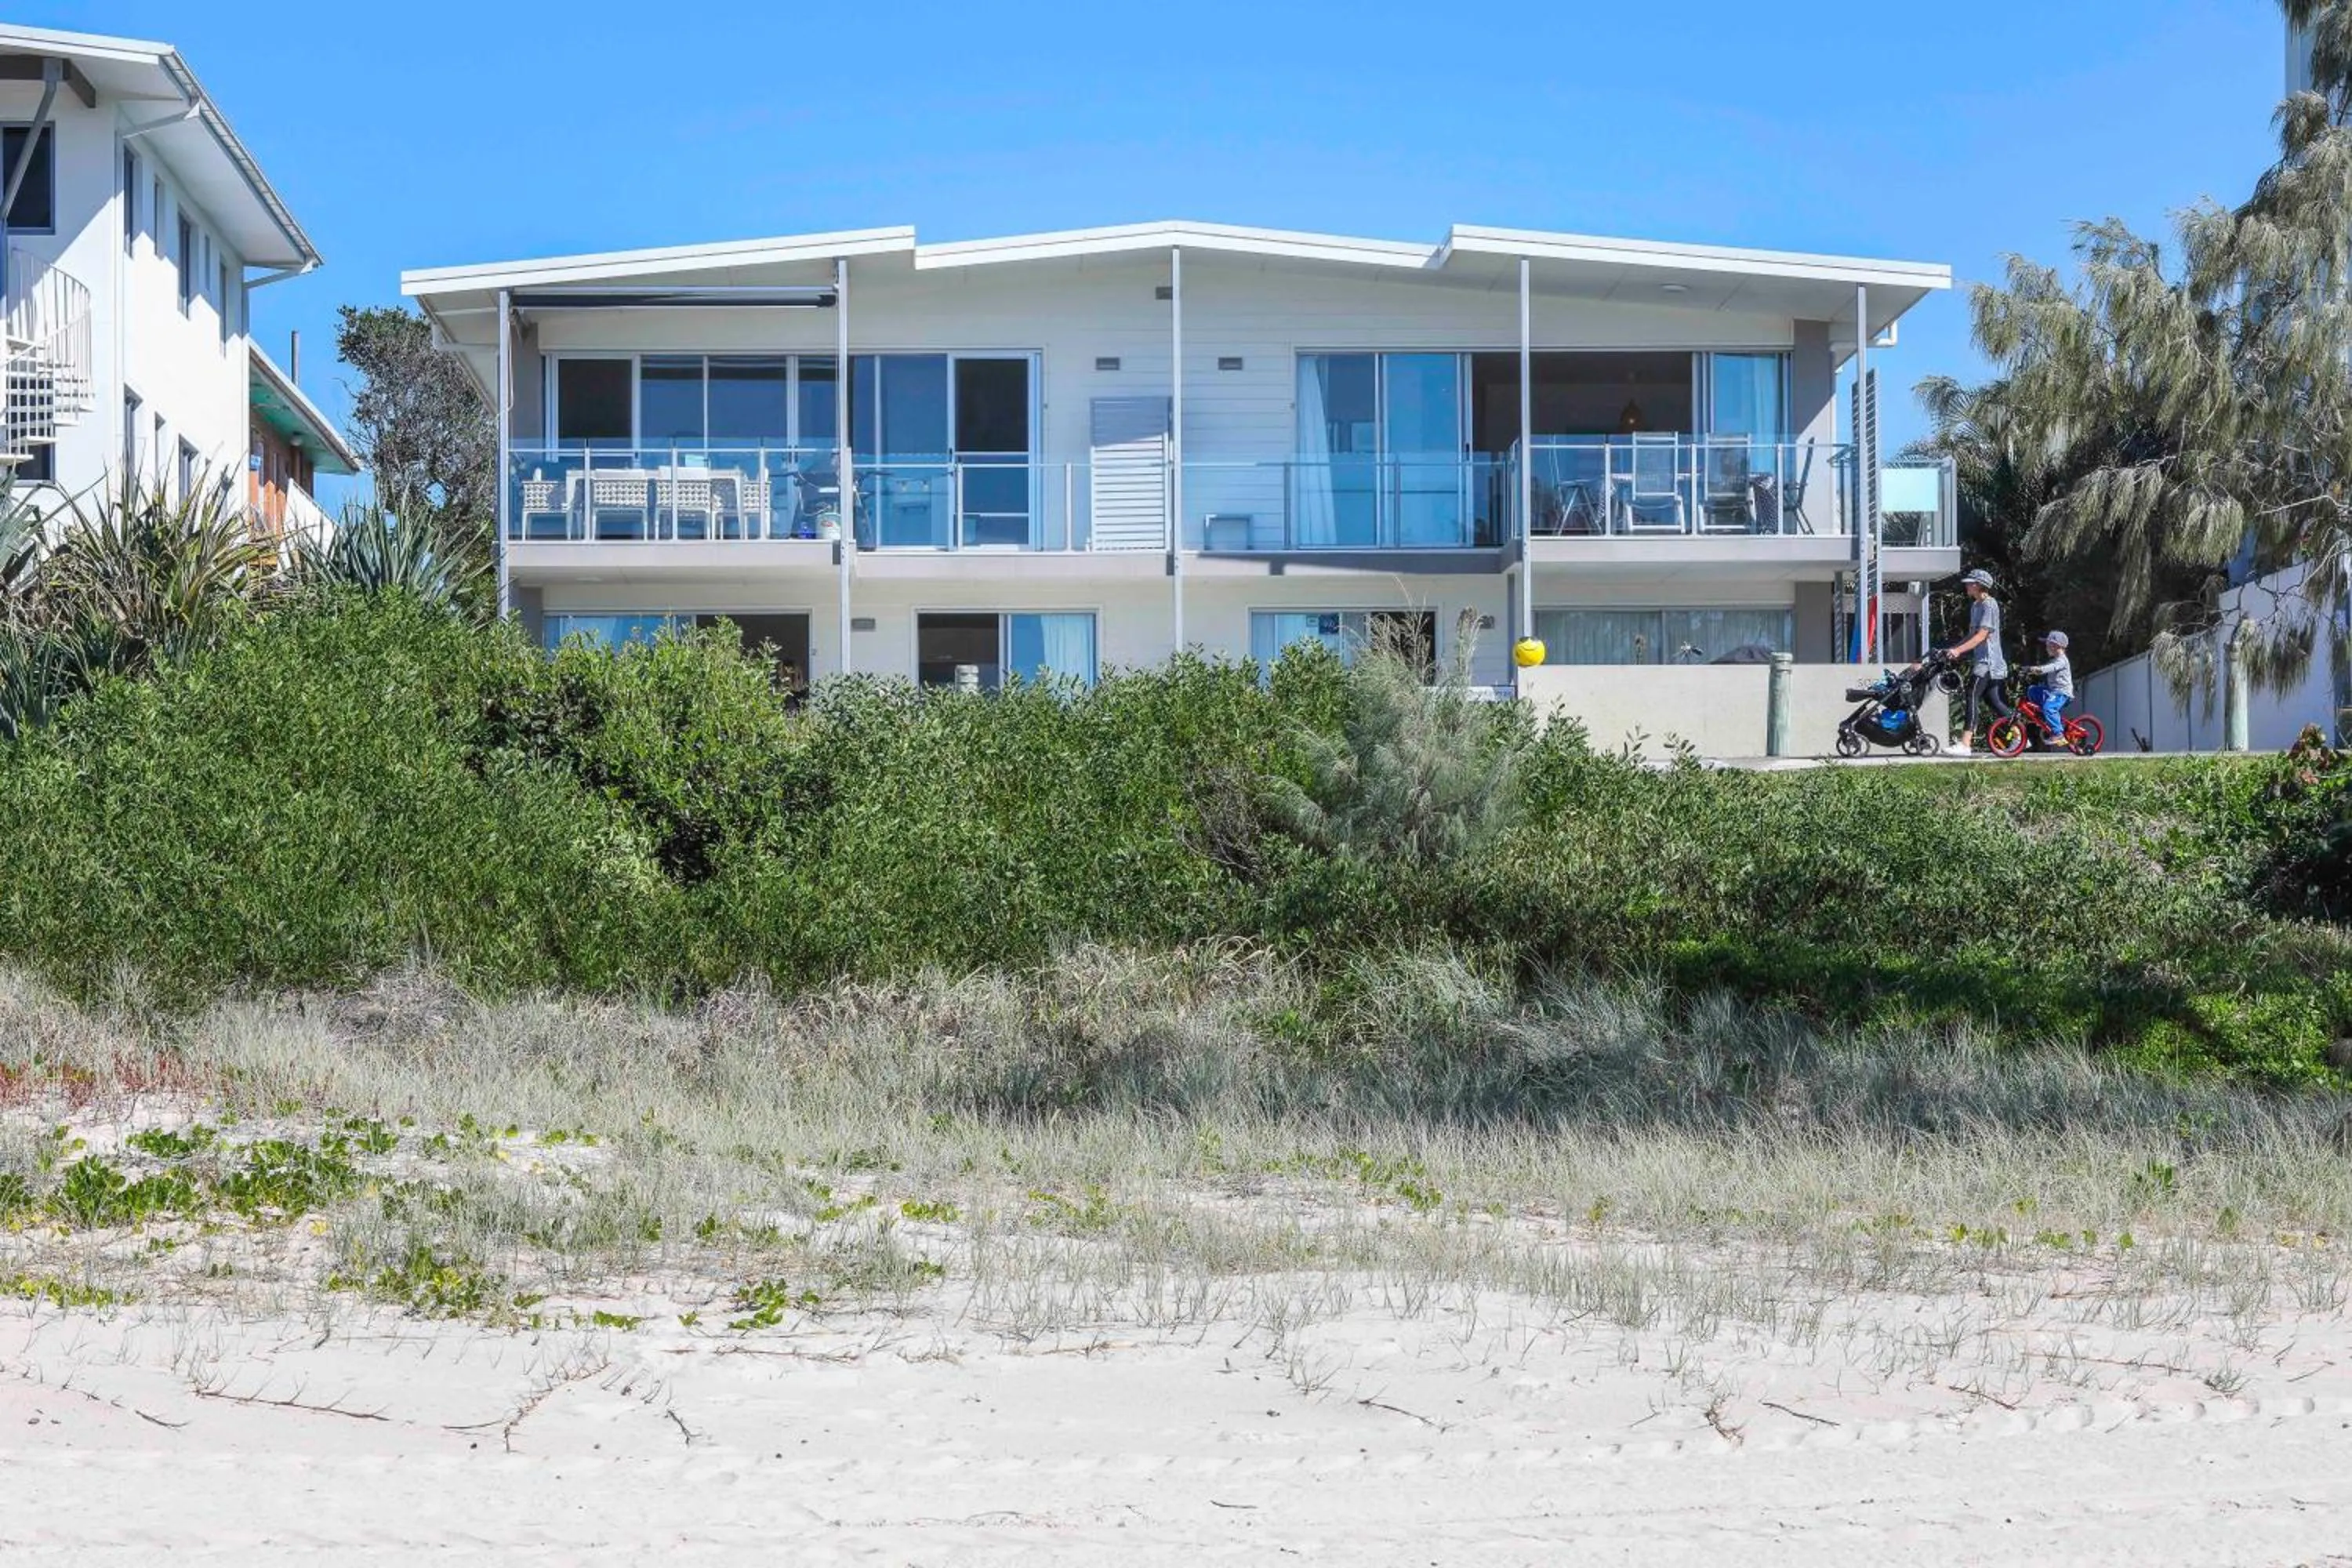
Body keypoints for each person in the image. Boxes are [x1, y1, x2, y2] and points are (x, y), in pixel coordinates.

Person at [1944, 568, 2012, 750]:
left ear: (1979, 585)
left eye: (1970, 583)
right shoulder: (1975, 606)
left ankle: (1966, 744)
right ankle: (2021, 737)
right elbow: (1971, 635)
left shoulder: (1989, 605)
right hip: (1981, 660)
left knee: (1971, 694)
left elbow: (1982, 636)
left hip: (1988, 661)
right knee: (1994, 701)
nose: (1967, 586)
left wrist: (1959, 651)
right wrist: (1955, 649)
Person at [2023, 630, 2074, 745]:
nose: (2046, 647)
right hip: (2053, 691)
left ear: (2056, 646)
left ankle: (2058, 734)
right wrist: (2026, 669)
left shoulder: (2062, 660)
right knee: (2032, 691)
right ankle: (2043, 716)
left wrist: (2037, 669)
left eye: (2048, 645)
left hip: (2062, 694)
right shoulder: (2055, 659)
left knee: (2049, 708)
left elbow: (2051, 668)